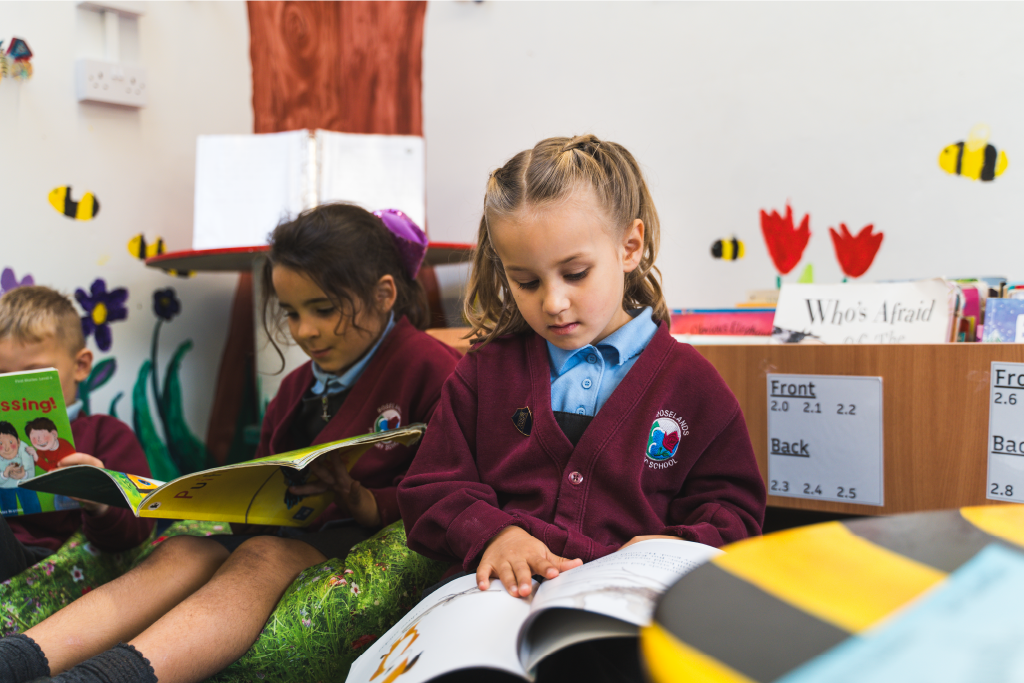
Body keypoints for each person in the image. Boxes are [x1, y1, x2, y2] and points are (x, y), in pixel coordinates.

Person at [0, 205, 461, 683]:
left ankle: (102, 678)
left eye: (323, 310)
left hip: (351, 534)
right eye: (291, 313)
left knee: (258, 559)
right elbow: (265, 470)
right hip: (285, 526)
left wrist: (364, 501)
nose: (304, 331)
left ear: (384, 294)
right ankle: (16, 661)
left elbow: (449, 480)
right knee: (180, 550)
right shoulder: (299, 385)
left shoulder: (430, 367)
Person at [398, 135, 766, 679]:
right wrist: (495, 534)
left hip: (626, 619)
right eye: (525, 282)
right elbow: (431, 488)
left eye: (575, 273)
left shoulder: (693, 386)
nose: (552, 303)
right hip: (491, 611)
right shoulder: (483, 373)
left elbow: (734, 515)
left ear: (630, 246)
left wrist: (674, 548)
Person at [0, 286, 155, 583]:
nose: (18, 388)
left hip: (51, 561)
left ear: (80, 365)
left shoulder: (106, 434)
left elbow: (138, 530)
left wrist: (99, 501)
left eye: (33, 375)